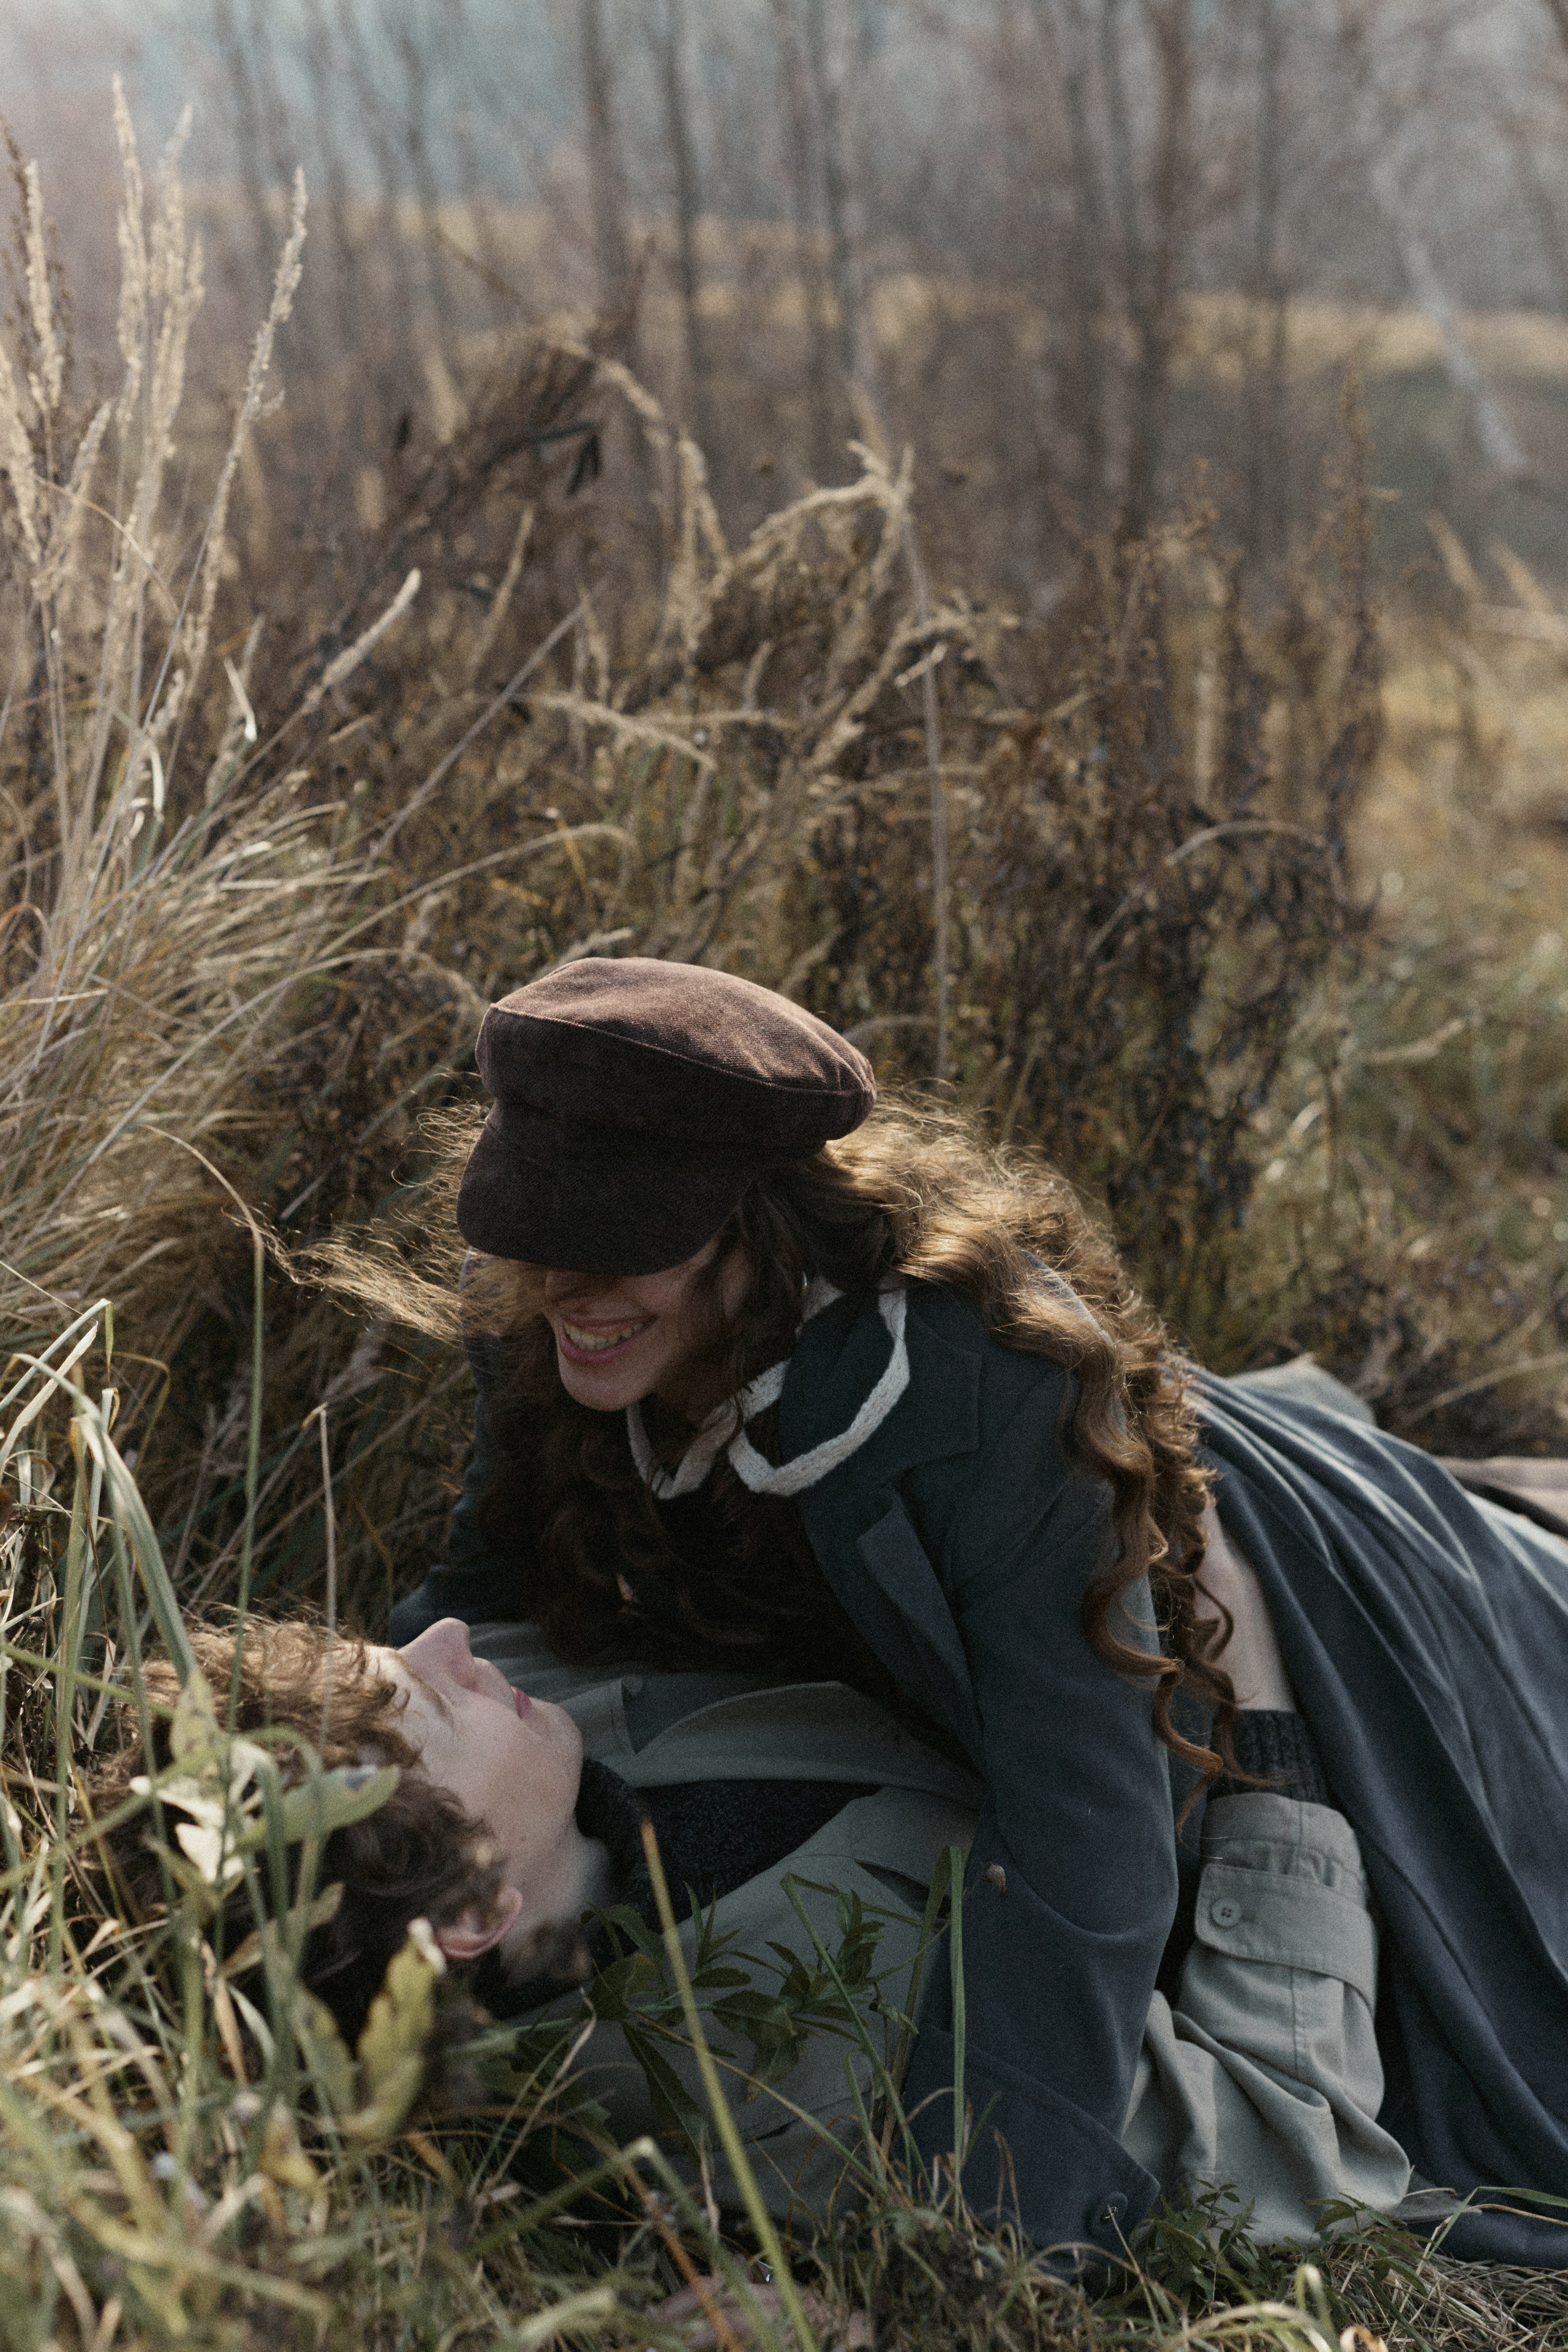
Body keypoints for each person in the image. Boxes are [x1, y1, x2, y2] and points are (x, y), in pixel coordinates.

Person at [365, 956, 1568, 2266]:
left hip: (1258, 1605)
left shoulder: (975, 1392)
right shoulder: (559, 1318)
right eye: (541, 1236)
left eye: (623, 1245)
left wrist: (969, 2253)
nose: (570, 1288)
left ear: (757, 1221)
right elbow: (480, 1596)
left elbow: (1081, 1835)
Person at [92, 1611, 1411, 2247]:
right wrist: (1274, 1749)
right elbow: (1290, 2147)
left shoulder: (531, 1768)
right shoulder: (800, 2070)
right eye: (426, 1706)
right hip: (1367, 1831)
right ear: (481, 1913)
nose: (442, 1639)